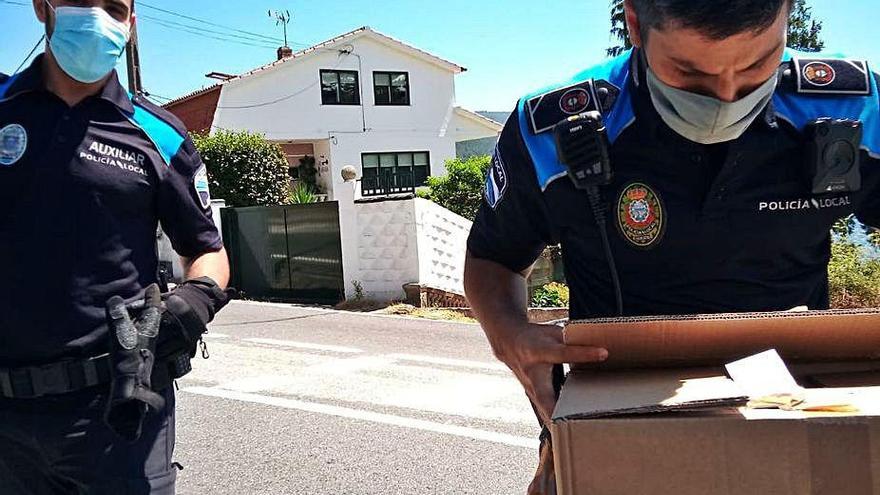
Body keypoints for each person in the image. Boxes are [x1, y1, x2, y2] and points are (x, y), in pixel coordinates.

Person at [464, 0, 880, 493]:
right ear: (636, 24)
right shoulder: (553, 127)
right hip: (612, 417)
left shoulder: (852, 106)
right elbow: (493, 257)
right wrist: (510, 336)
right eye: (690, 74)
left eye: (755, 66)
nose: (727, 96)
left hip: (798, 412)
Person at [0, 0, 232, 493]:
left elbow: (207, 248)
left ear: (130, 23)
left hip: (118, 412)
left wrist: (196, 301)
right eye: (80, 2)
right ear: (44, 8)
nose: (96, 17)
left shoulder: (160, 135)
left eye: (113, 7)